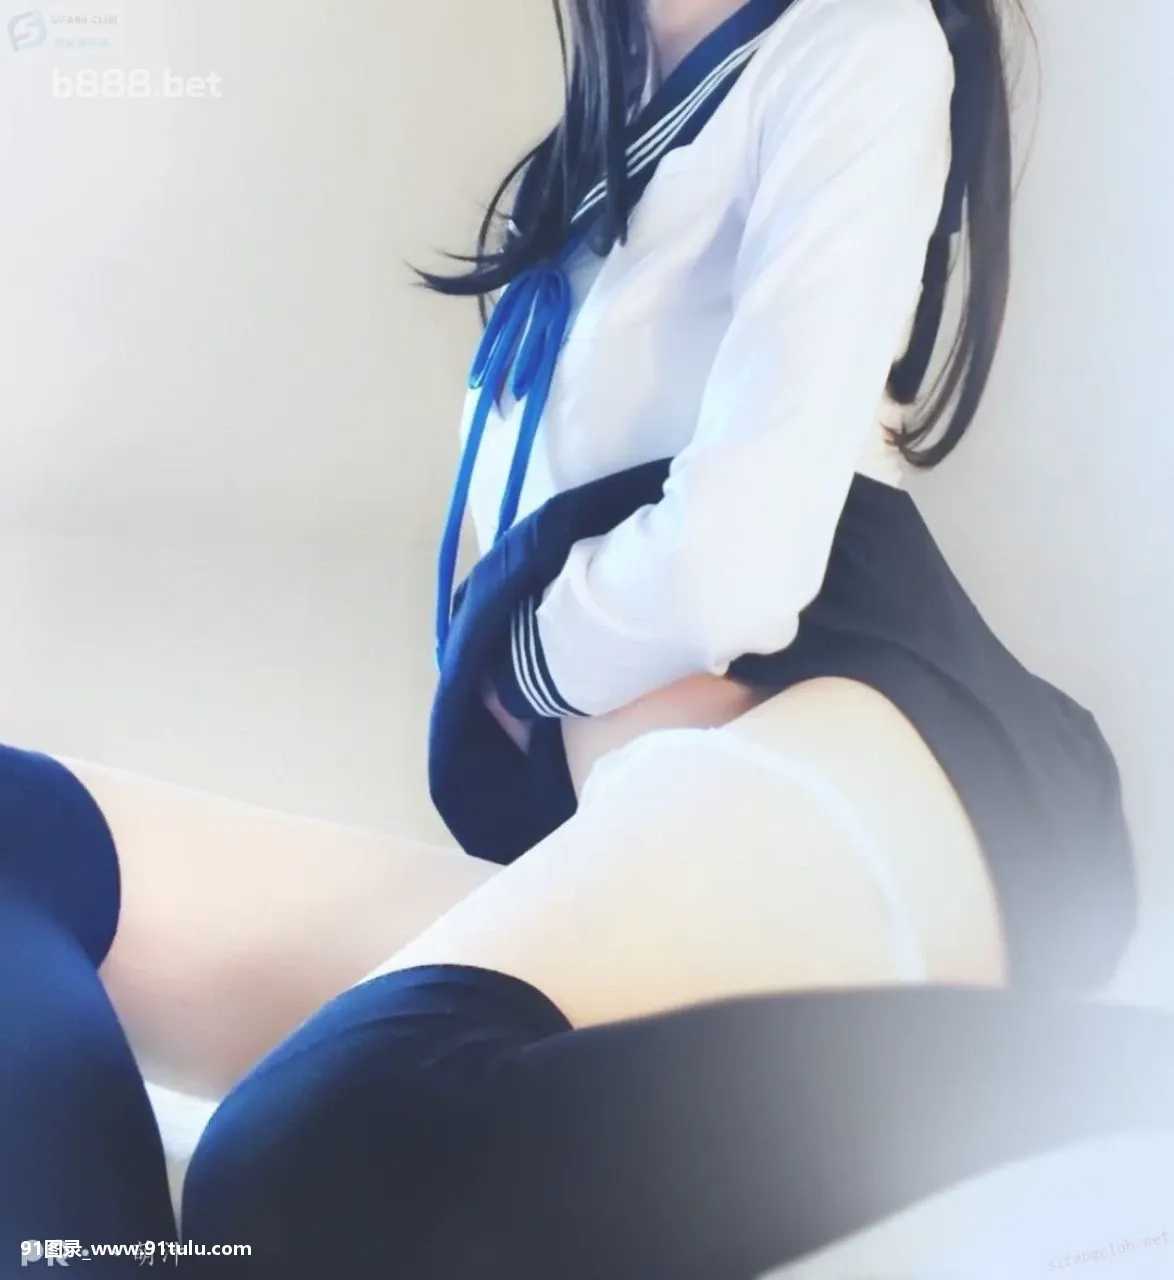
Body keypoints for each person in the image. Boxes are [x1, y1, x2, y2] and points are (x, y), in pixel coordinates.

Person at [3, 0, 1170, 1276]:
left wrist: (521, 661)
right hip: (643, 843)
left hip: (840, 769)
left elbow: (734, 570)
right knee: (20, 829)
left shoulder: (855, 43)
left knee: (310, 1152)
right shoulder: (599, 144)